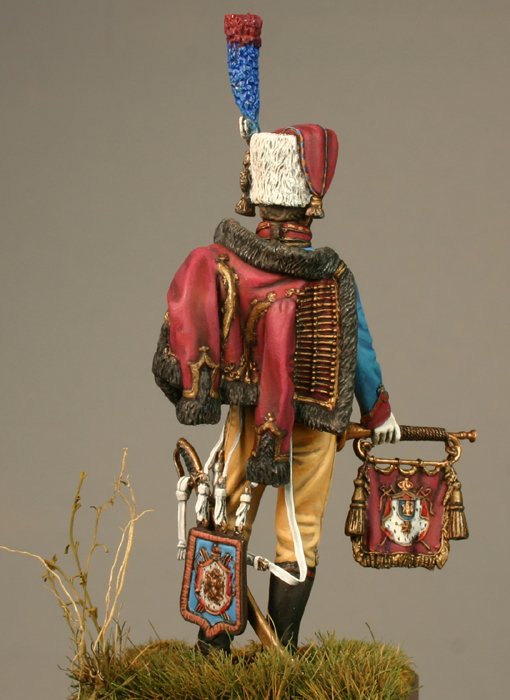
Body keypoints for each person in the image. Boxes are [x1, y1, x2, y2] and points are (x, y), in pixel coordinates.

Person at [153, 122, 400, 652]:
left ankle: (213, 643)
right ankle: (282, 646)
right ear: (312, 198)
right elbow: (358, 348)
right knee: (301, 527)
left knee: (226, 511)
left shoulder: (227, 262)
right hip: (315, 420)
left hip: (250, 417)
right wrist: (378, 413)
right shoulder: (332, 277)